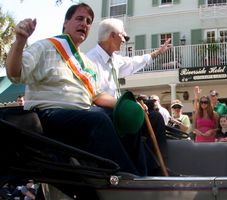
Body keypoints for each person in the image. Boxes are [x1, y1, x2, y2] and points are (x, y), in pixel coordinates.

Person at [5, 3, 147, 175]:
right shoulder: (45, 46)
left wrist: (127, 106)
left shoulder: (86, 62)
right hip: (50, 115)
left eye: (88, 21)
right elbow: (15, 73)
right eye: (79, 19)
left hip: (83, 114)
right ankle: (129, 179)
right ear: (66, 23)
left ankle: (150, 176)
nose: (84, 24)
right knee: (99, 121)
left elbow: (97, 96)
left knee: (129, 119)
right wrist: (20, 41)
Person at [86, 18, 172, 98]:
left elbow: (134, 63)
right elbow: (92, 96)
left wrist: (158, 52)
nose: (124, 41)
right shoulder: (89, 61)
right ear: (112, 35)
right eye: (123, 36)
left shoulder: (115, 60)